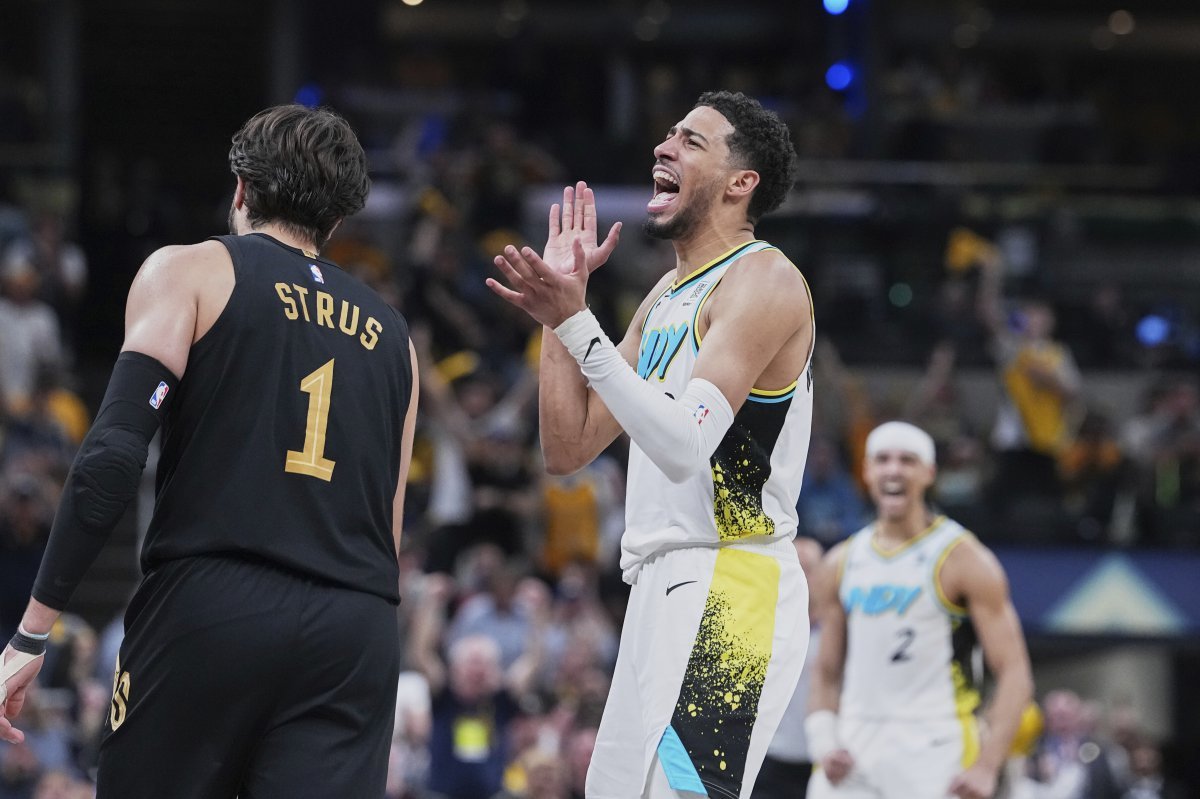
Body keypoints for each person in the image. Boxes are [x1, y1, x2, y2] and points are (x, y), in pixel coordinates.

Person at [0, 104, 419, 798]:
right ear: (337, 220)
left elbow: (111, 458)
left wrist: (33, 632)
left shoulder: (190, 271)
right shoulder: (396, 337)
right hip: (354, 627)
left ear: (241, 189)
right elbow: (389, 533)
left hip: (214, 601)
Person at [487, 90, 813, 798]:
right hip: (654, 584)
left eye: (691, 141)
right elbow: (567, 447)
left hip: (734, 586)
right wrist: (559, 310)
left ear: (741, 182)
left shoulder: (765, 277)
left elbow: (687, 444)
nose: (664, 147)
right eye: (668, 135)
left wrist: (580, 326)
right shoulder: (667, 292)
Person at [806, 421, 1034, 799]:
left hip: (936, 746)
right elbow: (826, 671)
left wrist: (987, 765)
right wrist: (823, 741)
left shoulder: (965, 559)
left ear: (929, 473)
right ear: (866, 471)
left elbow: (1015, 672)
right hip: (854, 746)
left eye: (907, 460)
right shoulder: (840, 562)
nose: (893, 470)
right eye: (882, 460)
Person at [752, 536, 825, 799]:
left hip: (821, 758)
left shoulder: (836, 631)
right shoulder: (761, 627)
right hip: (771, 759)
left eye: (809, 569)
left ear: (823, 574)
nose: (802, 576)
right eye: (796, 568)